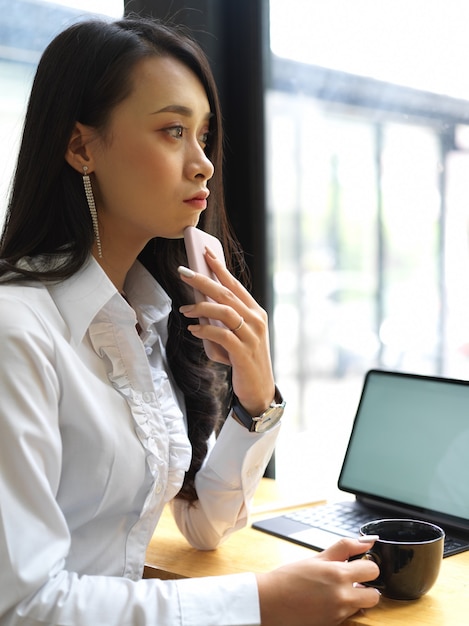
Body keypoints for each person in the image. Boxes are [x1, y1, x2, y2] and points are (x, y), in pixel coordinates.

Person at [0, 15, 380, 626]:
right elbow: (21, 607)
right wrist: (261, 602)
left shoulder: (138, 321)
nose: (202, 163)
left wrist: (254, 395)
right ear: (80, 147)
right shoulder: (17, 331)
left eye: (204, 135)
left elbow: (203, 524)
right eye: (173, 130)